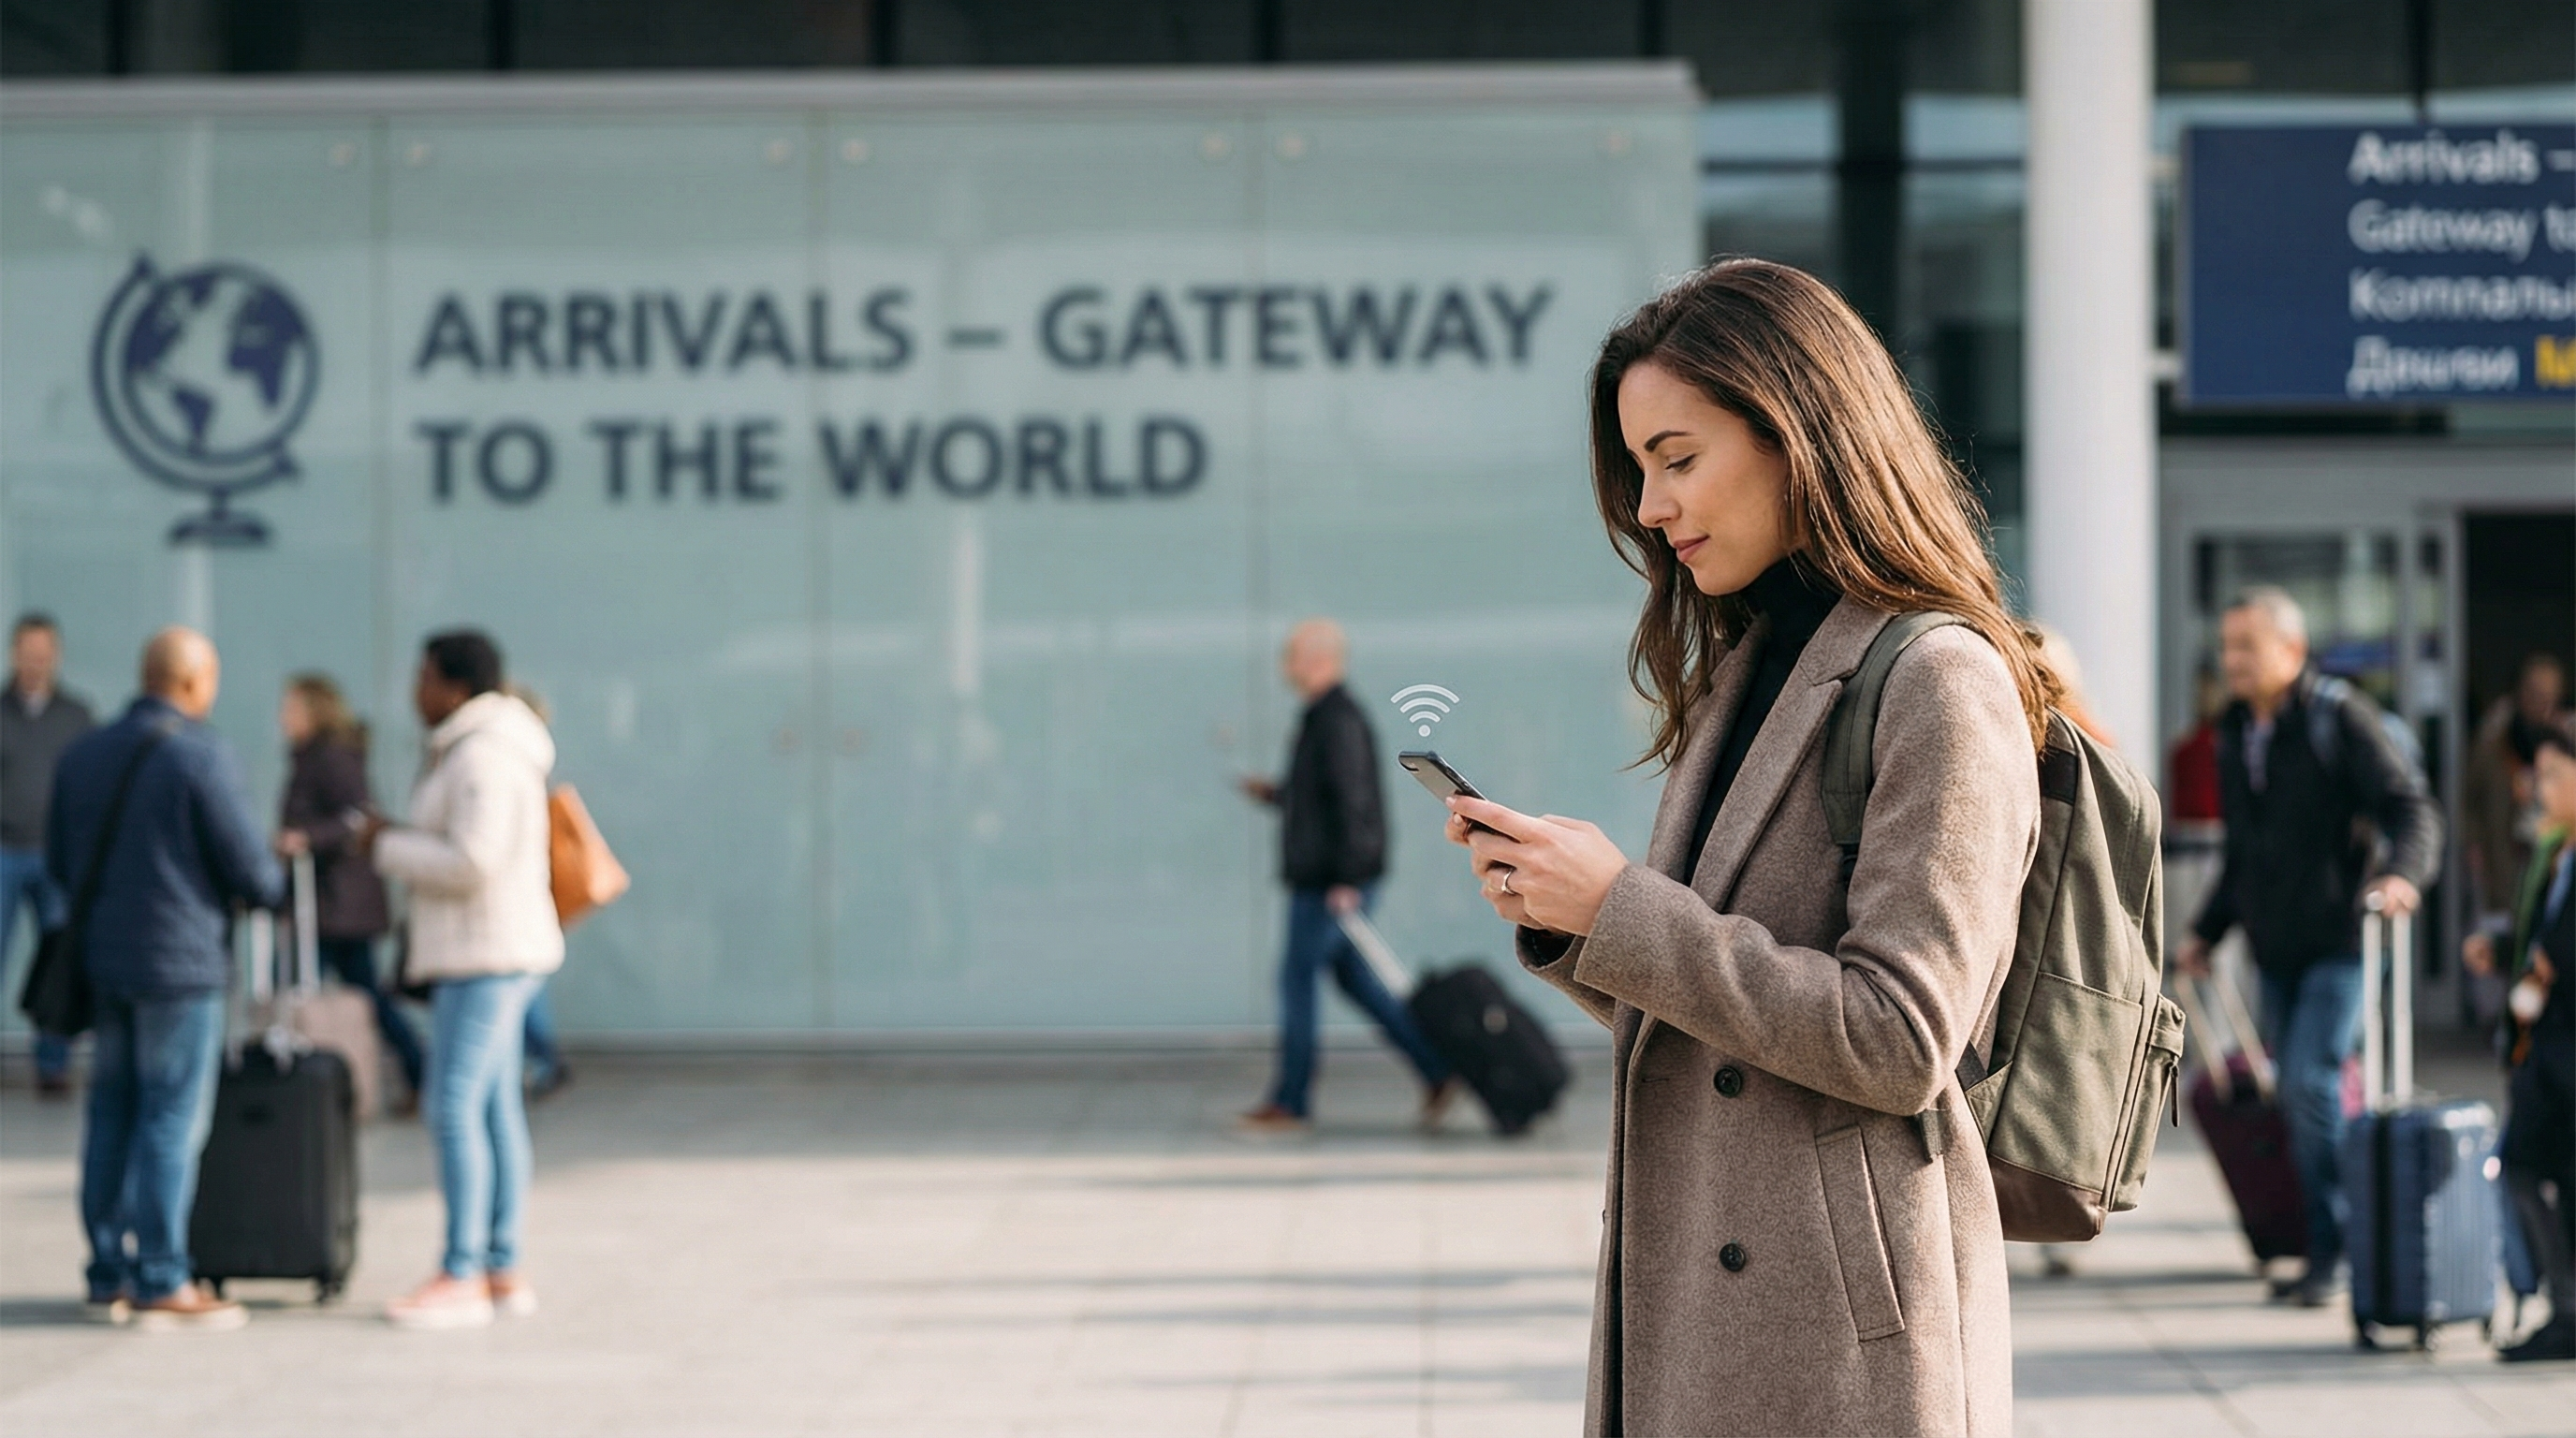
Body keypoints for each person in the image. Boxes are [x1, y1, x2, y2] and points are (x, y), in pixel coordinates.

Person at [1444, 259, 2047, 1436]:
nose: (1650, 507)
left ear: (1797, 434)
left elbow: (1899, 1037)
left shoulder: (1936, 677)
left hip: (1833, 1344)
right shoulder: (1750, 662)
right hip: (1696, 1309)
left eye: (1677, 458)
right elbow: (1729, 1019)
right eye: (1636, 473)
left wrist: (1623, 910)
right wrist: (1579, 927)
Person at [2178, 586, 2442, 1309]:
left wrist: (2399, 877)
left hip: (2342, 941)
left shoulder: (2338, 717)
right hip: (2276, 948)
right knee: (2301, 1095)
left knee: (2308, 1082)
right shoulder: (2236, 730)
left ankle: (2336, 1247)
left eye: (2247, 647)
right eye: (2227, 647)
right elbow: (2245, 853)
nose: (2232, 660)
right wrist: (2207, 931)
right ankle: (2325, 1238)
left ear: (2291, 652)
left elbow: (2411, 807)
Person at [50, 627, 280, 1330]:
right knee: (171, 1117)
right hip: (179, 968)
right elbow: (252, 871)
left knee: (111, 1112)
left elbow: (60, 859)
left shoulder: (84, 751)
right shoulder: (199, 756)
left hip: (104, 961)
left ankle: (106, 1270)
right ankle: (162, 1276)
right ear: (190, 683)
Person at [366, 630, 562, 1329]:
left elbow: (473, 859)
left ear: (454, 685)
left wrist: (385, 846)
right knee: (494, 1107)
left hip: (486, 954)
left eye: (423, 677)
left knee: (452, 1106)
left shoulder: (483, 754)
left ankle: (463, 1268)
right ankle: (500, 1265)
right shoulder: (484, 746)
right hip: (491, 950)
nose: (415, 691)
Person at [1236, 618, 1454, 1135]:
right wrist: (1276, 795)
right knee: (1355, 980)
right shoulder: (1322, 718)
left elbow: (1355, 804)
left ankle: (1291, 1100)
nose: (1284, 667)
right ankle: (1437, 1067)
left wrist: (1349, 878)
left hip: (1329, 884)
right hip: (1329, 879)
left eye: (1291, 655)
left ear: (1319, 659)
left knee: (1296, 981)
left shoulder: (1337, 720)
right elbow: (1321, 800)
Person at [2463, 718, 2576, 1363]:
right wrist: (2506, 950)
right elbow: (2543, 937)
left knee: (2532, 1166)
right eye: (2542, 773)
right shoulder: (2554, 850)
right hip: (2546, 1046)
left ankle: (2566, 1308)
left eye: (2558, 775)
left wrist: (2542, 962)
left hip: (2562, 1045)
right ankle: (2563, 1305)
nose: (2541, 787)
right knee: (2536, 1167)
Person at [274, 672, 423, 1111]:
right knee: (356, 991)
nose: (283, 717)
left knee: (325, 988)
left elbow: (359, 817)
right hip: (325, 903)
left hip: (339, 904)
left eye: (291, 707)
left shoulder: (332, 758)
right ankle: (413, 1069)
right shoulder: (309, 757)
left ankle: (414, 1068)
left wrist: (306, 837)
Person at [2, 612, 95, 1095]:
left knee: (58, 961)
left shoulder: (75, 716)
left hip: (56, 855)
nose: (37, 662)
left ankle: (53, 1063)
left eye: (45, 654)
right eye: (28, 653)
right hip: (4, 853)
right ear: (15, 653)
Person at [2465, 653, 2569, 932]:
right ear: (2520, 693)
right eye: (2536, 695)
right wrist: (2475, 845)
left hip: (2551, 884)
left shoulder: (2564, 745)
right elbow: (2468, 800)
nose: (2543, 705)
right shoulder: (2495, 741)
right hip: (2504, 876)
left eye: (2551, 697)